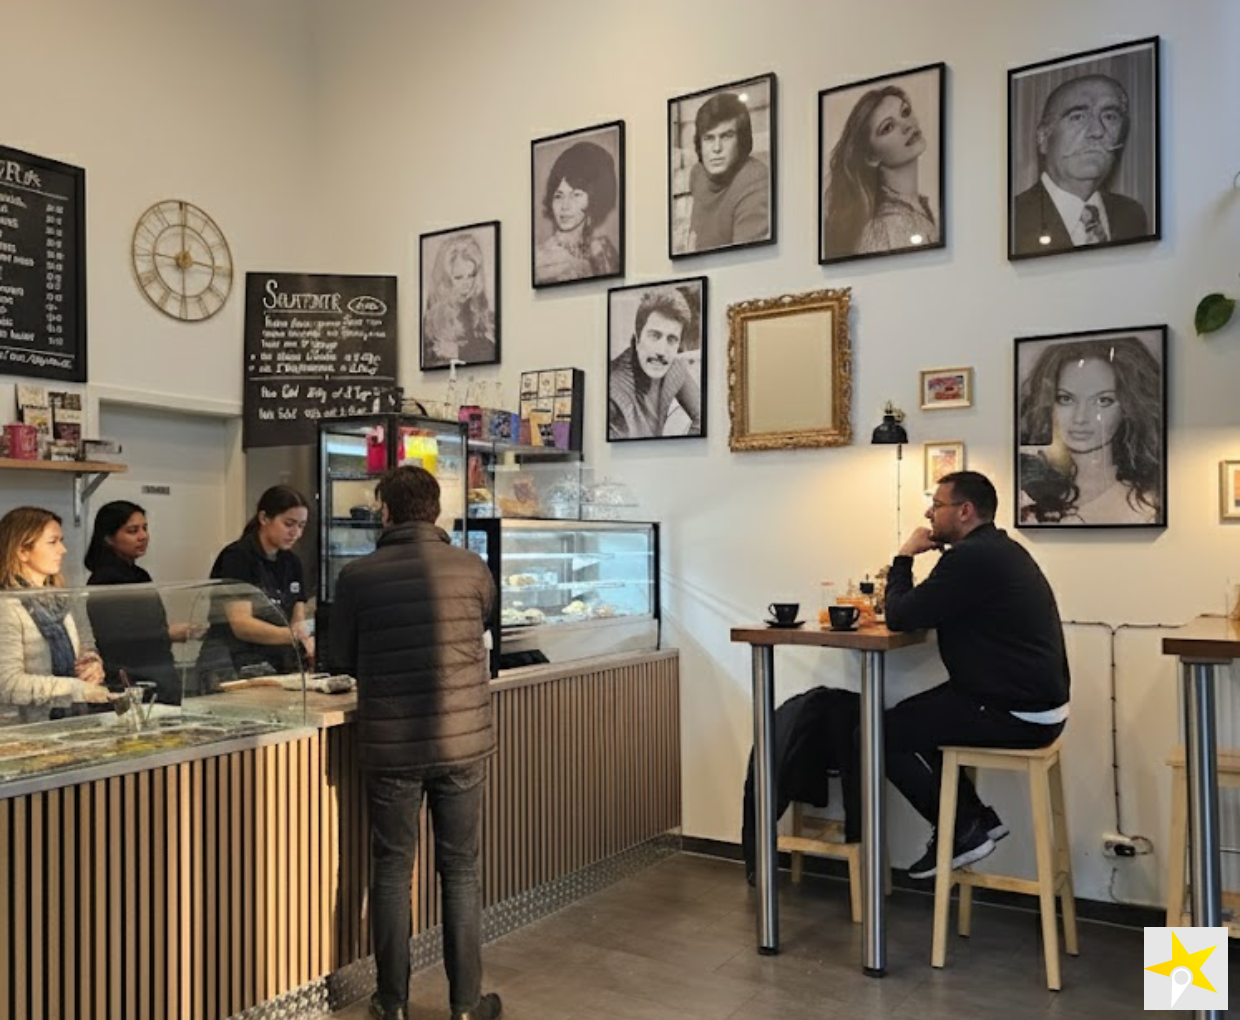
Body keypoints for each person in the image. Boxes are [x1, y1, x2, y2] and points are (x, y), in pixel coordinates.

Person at [330, 466, 500, 1020]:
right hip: (461, 742)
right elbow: (485, 629)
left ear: (385, 511)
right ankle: (466, 1005)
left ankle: (391, 1003)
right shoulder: (472, 567)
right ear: (436, 510)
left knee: (391, 870)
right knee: (461, 870)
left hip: (394, 743)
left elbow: (340, 657)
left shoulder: (357, 576)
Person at [882, 471, 1070, 879]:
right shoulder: (999, 550)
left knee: (880, 733)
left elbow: (900, 615)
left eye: (937, 505)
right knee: (916, 719)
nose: (929, 514)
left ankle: (964, 829)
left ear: (964, 511)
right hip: (1034, 704)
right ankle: (973, 820)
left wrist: (904, 556)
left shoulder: (969, 559)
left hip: (1014, 712)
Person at [1018, 336, 1162, 524]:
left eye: (1103, 401)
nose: (1080, 418)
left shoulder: (1147, 500)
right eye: (1066, 399)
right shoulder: (1027, 487)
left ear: (1128, 408)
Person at [1012, 73, 1149, 255]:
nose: (1097, 131)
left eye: (1110, 117)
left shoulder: (1131, 215)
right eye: (1078, 117)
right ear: (1043, 138)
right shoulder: (1011, 219)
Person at [197, 485, 314, 688]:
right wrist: (293, 636)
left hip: (274, 663)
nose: (295, 533)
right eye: (288, 524)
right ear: (264, 518)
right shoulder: (237, 557)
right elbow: (241, 625)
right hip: (230, 663)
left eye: (301, 526)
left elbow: (298, 617)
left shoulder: (292, 562)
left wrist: (304, 640)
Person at [84, 500, 199, 705]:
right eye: (132, 531)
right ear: (109, 538)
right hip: (130, 680)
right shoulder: (104, 579)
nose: (143, 536)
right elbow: (117, 636)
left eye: (144, 528)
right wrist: (167, 634)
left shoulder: (140, 574)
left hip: (159, 674)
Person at [0, 506, 109, 716]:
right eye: (53, 542)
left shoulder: (63, 598)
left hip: (71, 720)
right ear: (22, 551)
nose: (63, 550)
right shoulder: (6, 605)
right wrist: (75, 689)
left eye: (62, 541)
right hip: (25, 727)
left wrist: (92, 664)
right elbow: (7, 683)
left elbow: (87, 645)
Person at [822, 84, 939, 260]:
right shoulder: (887, 226)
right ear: (871, 157)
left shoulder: (917, 208)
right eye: (888, 127)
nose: (907, 125)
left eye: (905, 112)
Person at [607, 287, 702, 439]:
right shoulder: (614, 388)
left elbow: (703, 416)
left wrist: (682, 448)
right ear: (637, 339)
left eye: (672, 339)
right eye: (654, 336)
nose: (662, 351)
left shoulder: (674, 367)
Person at [685, 91, 770, 251]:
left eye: (726, 136)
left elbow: (745, 260)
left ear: (741, 140)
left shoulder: (756, 181)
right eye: (709, 138)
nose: (717, 148)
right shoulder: (698, 173)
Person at [534, 140, 619, 285]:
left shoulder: (604, 250)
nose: (565, 206)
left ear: (594, 199)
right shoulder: (542, 259)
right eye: (558, 196)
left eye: (576, 195)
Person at [422, 233, 496, 368]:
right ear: (445, 279)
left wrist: (460, 352)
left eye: (471, 275)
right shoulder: (431, 320)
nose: (467, 284)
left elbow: (493, 351)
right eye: (458, 277)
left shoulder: (483, 313)